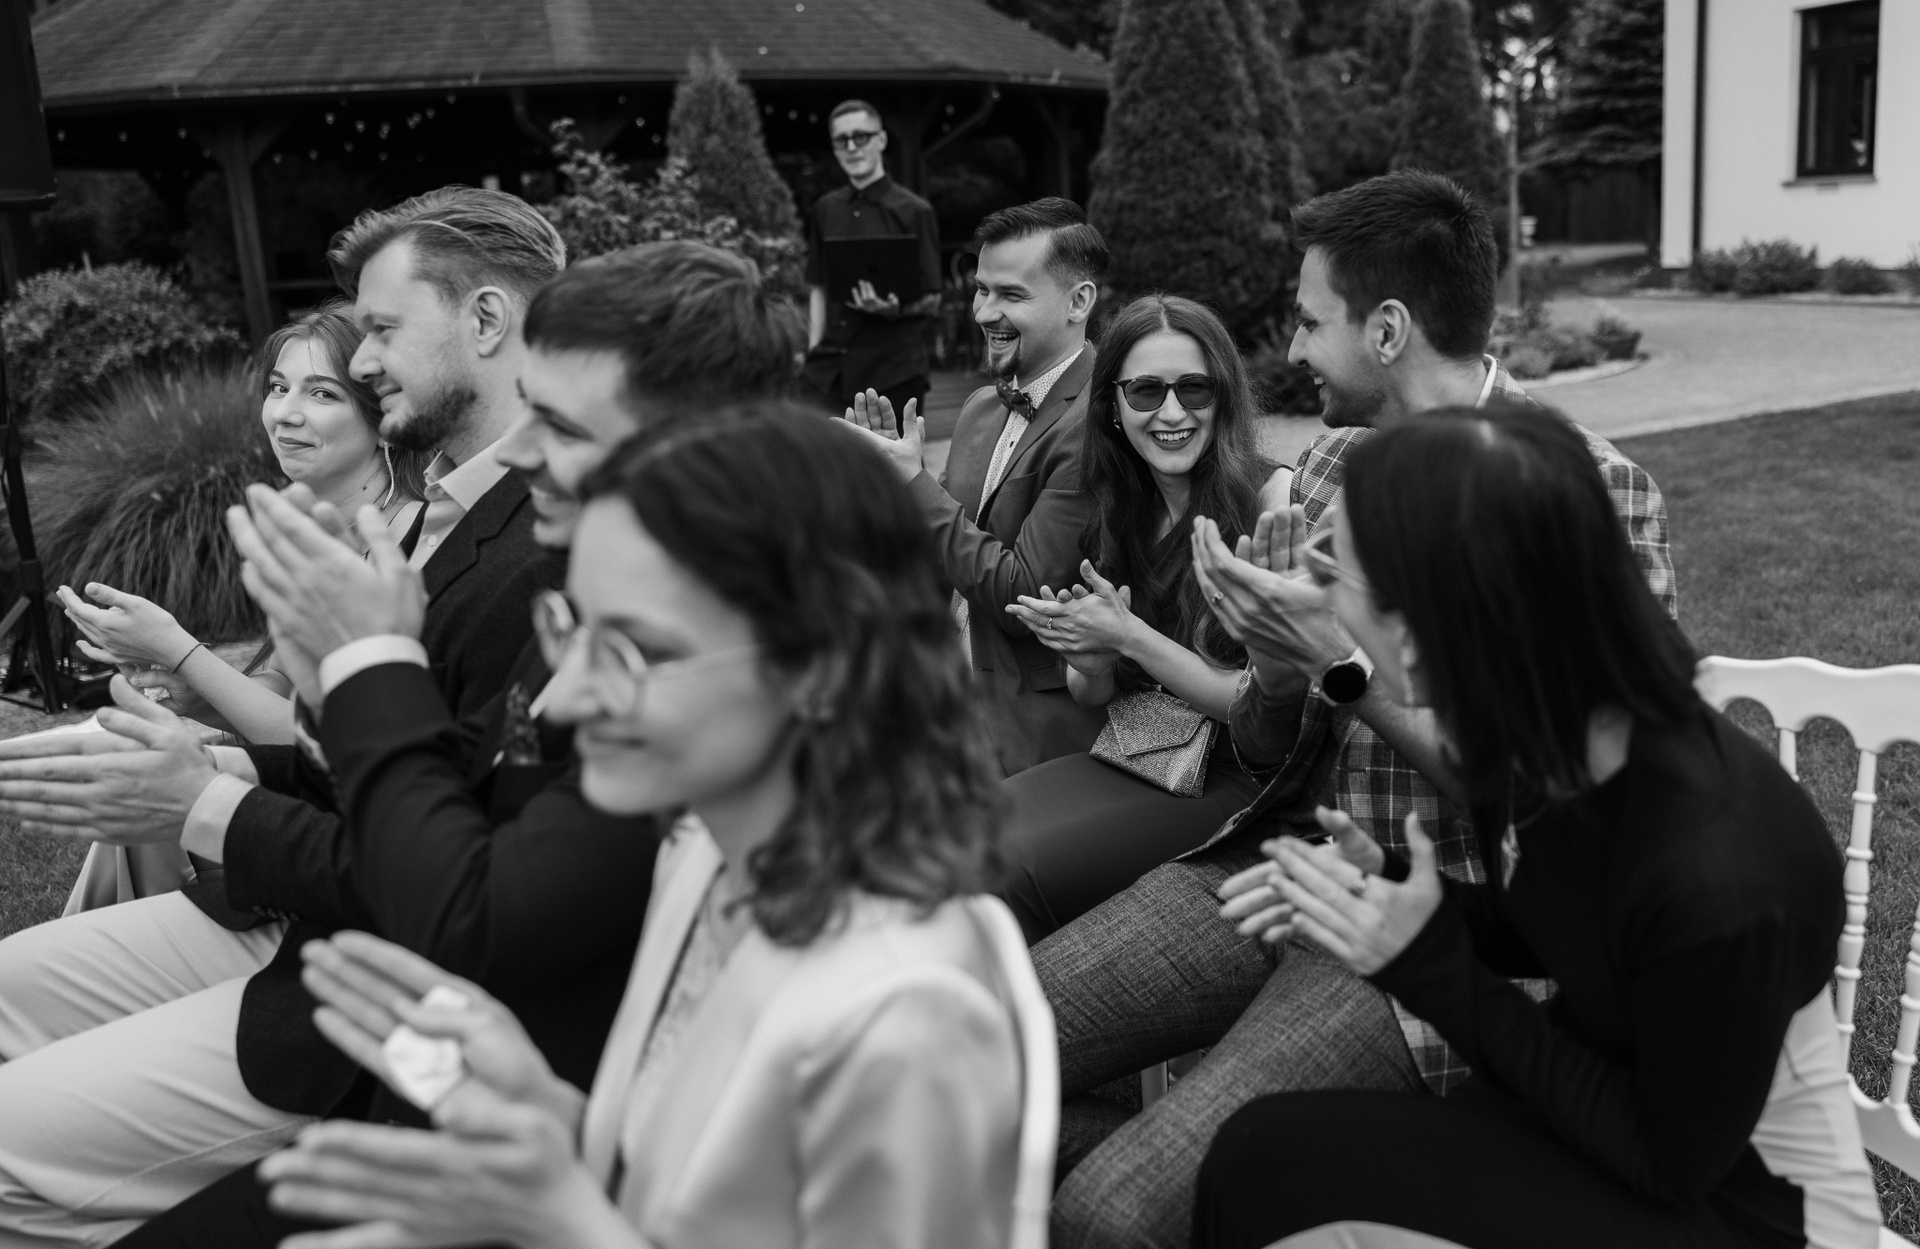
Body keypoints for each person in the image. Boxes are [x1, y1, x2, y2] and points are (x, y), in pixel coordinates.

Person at [111, 240, 811, 1249]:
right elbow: (482, 802)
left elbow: (473, 906)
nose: (520, 456)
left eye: (560, 425)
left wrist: (369, 666)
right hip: (493, 1098)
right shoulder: (610, 611)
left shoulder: (712, 692)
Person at [1029, 170, 1680, 1249]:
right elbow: (1264, 739)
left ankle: (1216, 1192)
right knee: (961, 1047)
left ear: (1386, 330)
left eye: (1309, 320)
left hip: (1434, 927)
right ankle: (1239, 1194)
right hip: (1274, 863)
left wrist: (1340, 666)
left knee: (1108, 1213)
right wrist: (1276, 666)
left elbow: (1570, 794)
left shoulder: (1595, 493)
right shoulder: (1331, 463)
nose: (1292, 349)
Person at [251, 405, 1054, 1249]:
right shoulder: (704, 850)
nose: (571, 695)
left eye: (636, 650)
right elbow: (704, 1196)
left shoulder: (906, 1008)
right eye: (573, 629)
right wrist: (552, 1112)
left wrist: (558, 1219)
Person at [0, 185, 564, 1247]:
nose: (364, 359)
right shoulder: (448, 506)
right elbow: (366, 772)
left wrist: (206, 798)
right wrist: (209, 769)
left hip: (375, 1007)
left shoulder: (547, 543)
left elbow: (448, 867)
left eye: (382, 329)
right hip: (299, 919)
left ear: (487, 320)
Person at [1196, 404, 1880, 1249]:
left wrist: (1428, 963)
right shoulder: (1539, 738)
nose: (1316, 590)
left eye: (1335, 568)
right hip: (1598, 1116)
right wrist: (1397, 894)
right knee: (1259, 1162)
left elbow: (1669, 1162)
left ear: (1421, 631)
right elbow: (1563, 919)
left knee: (1273, 1178)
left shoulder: (1723, 872)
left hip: (1745, 1208)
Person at [995, 294, 1288, 944]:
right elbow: (1092, 693)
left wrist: (1131, 635)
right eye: (1147, 391)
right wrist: (1093, 656)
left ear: (1224, 396)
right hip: (1141, 754)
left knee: (1010, 866)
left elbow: (1265, 711)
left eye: (1194, 389)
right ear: (1114, 406)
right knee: (957, 832)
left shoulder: (1270, 499)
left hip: (1242, 782)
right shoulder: (1122, 505)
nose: (1173, 413)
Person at [57, 300, 425, 748]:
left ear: (386, 419)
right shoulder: (307, 535)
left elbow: (339, 743)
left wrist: (180, 650)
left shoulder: (417, 541)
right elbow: (286, 691)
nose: (284, 413)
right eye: (278, 387)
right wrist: (195, 693)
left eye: (323, 393)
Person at [842, 197, 1108, 776]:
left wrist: (914, 484)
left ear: (1078, 302)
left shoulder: (1099, 422)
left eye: (1011, 295)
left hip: (1035, 734)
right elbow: (937, 554)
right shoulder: (980, 406)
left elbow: (1023, 597)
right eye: (982, 290)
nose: (985, 312)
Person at [800, 98, 944, 426]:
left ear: (881, 140)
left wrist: (894, 310)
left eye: (860, 137)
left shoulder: (915, 211)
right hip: (827, 372)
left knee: (890, 460)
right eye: (842, 140)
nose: (851, 147)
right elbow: (818, 286)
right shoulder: (825, 209)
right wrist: (813, 348)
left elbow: (933, 296)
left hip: (892, 372)